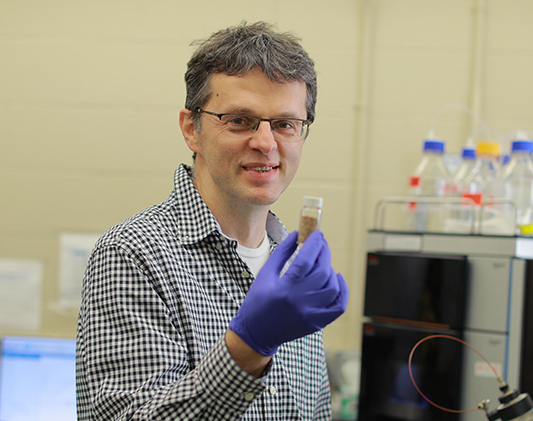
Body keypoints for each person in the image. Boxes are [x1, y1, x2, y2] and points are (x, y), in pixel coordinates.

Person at [75, 21, 349, 420]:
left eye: (286, 124)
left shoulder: (293, 265)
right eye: (239, 120)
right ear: (192, 129)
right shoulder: (133, 255)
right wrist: (248, 348)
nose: (266, 143)